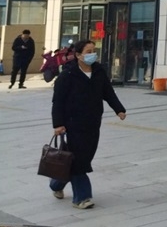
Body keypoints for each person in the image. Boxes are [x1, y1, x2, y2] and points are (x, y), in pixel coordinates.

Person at [49, 39, 126, 209]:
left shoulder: (99, 71)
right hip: (72, 124)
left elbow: (108, 92)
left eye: (94, 51)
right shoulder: (68, 75)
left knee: (84, 157)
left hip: (93, 123)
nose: (93, 54)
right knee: (79, 160)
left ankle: (56, 183)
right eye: (88, 51)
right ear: (78, 55)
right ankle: (82, 198)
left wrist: (119, 109)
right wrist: (58, 124)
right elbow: (58, 101)